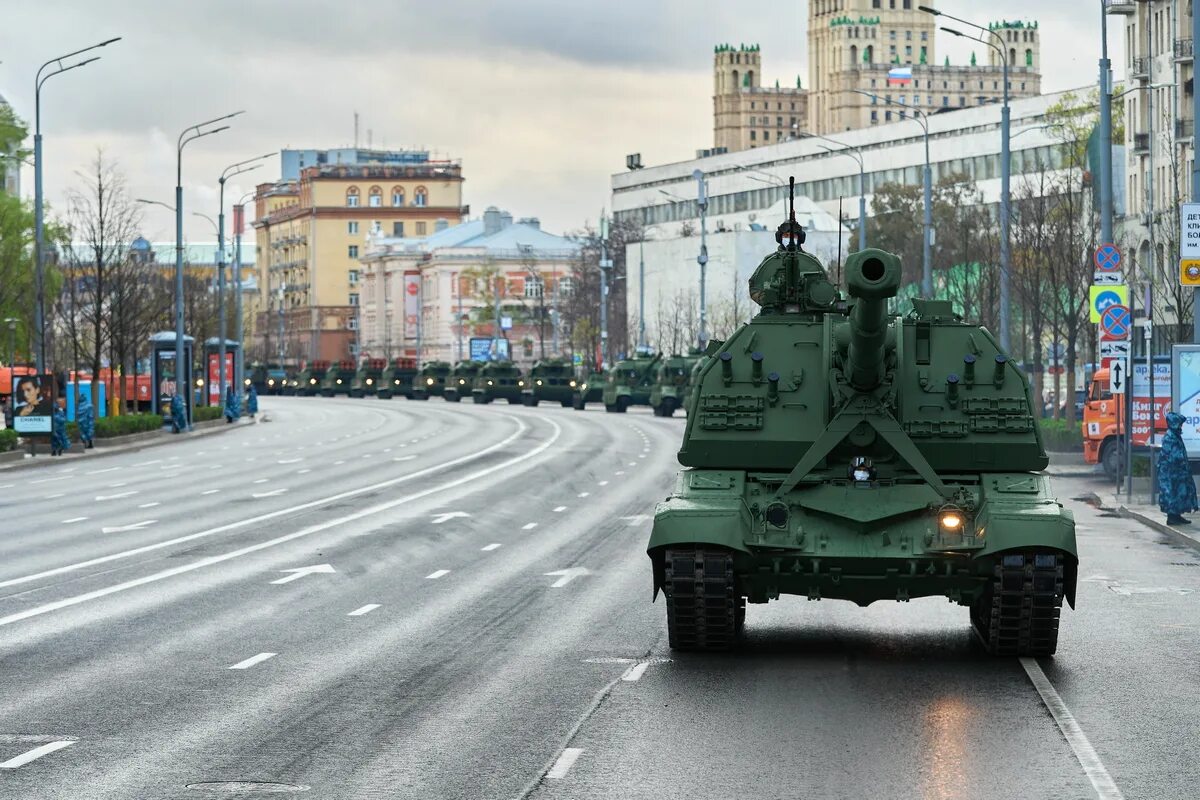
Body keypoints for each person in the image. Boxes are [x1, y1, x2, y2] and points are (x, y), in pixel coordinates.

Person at [1157, 411, 1198, 526]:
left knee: (1179, 494)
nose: (1181, 426)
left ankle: (1177, 515)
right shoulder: (1170, 437)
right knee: (1172, 494)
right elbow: (1173, 456)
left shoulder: (1175, 435)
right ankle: (1172, 517)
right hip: (1171, 474)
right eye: (1179, 423)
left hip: (1177, 473)